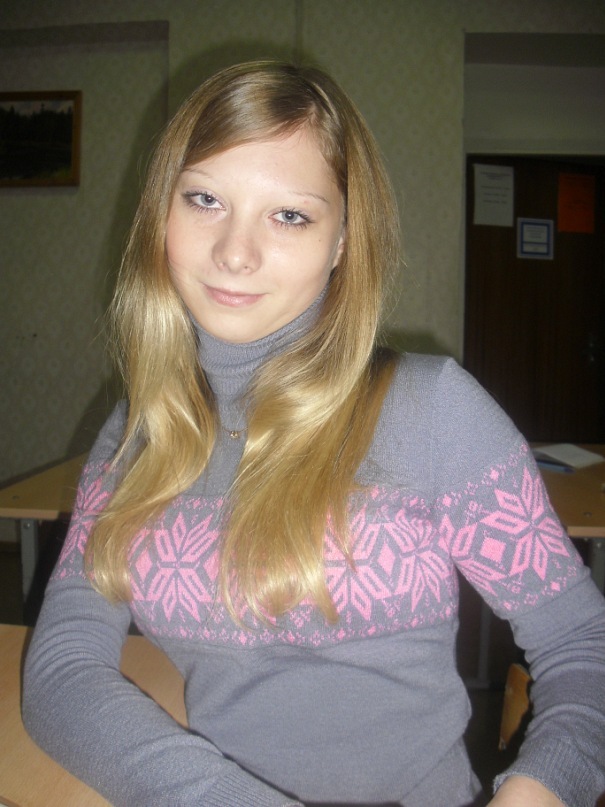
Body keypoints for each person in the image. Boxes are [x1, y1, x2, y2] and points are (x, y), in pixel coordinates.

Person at [22, 60, 605, 807]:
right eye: (205, 199)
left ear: (342, 241)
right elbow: (64, 670)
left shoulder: (432, 411)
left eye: (289, 216)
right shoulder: (143, 427)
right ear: (160, 211)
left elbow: (582, 645)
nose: (234, 252)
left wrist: (541, 787)